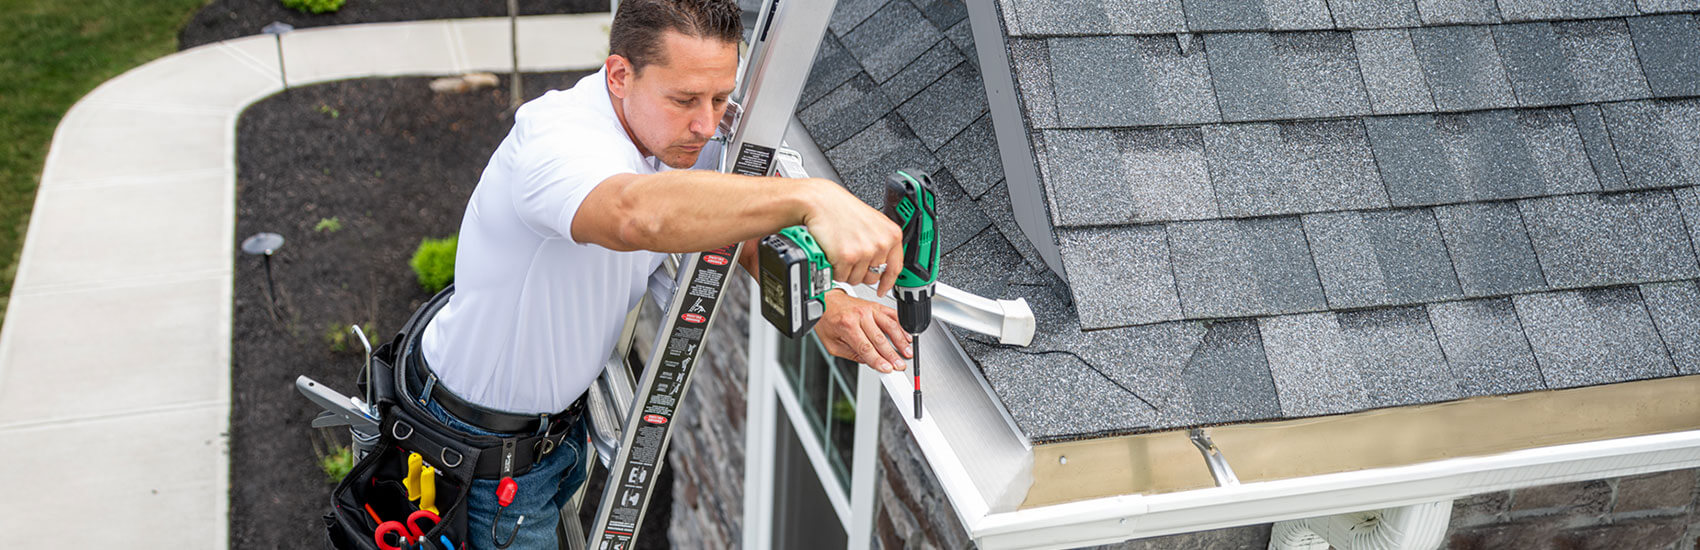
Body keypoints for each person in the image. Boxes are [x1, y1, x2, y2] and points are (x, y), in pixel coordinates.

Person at [414, 0, 912, 547]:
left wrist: (822, 303)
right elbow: (637, 215)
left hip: (555, 435)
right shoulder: (557, 144)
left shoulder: (666, 136)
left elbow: (726, 225)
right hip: (481, 459)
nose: (707, 123)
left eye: (721, 98)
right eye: (685, 100)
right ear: (620, 75)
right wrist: (810, 197)